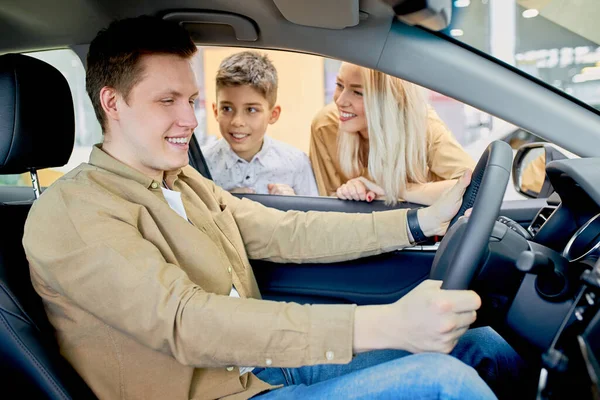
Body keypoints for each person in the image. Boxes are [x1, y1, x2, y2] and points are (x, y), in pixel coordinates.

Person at [23, 16, 526, 400]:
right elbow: (186, 320)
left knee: (480, 347)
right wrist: (386, 325)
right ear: (112, 103)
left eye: (193, 100)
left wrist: (420, 221)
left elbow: (287, 232)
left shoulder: (183, 182)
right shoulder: (71, 213)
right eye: (167, 101)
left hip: (258, 366)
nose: (189, 119)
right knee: (443, 383)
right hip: (219, 394)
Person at [310, 63, 475, 205]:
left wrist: (395, 191)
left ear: (388, 100)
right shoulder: (326, 126)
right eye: (339, 85)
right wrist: (349, 193)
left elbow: (474, 186)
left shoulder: (421, 124)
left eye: (358, 92)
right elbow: (328, 205)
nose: (340, 101)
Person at [202, 51, 318, 196]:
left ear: (273, 115)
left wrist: (293, 204)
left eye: (251, 110)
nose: (237, 121)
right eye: (227, 108)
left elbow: (310, 216)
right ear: (215, 111)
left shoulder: (296, 163)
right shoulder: (201, 163)